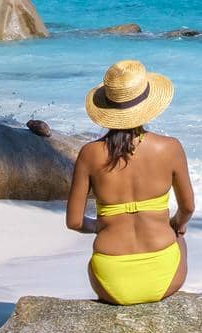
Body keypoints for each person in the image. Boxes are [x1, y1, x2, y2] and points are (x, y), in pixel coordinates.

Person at [65, 58, 195, 306]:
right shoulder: (170, 148)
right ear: (147, 104)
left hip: (110, 279)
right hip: (164, 275)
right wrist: (175, 224)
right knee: (179, 237)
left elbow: (74, 222)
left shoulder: (89, 153)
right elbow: (188, 208)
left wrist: (100, 226)